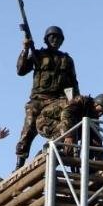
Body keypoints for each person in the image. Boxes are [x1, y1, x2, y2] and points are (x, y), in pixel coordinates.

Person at [15, 25, 79, 170]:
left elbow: (72, 84)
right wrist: (25, 49)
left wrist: (74, 101)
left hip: (58, 99)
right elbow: (20, 70)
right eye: (52, 37)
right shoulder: (38, 55)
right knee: (29, 126)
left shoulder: (67, 60)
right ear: (46, 39)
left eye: (58, 38)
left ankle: (70, 152)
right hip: (38, 99)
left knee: (69, 118)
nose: (55, 40)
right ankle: (20, 163)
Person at [36, 93, 103, 164]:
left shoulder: (93, 115)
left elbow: (96, 138)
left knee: (86, 133)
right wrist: (69, 136)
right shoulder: (81, 101)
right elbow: (66, 114)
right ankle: (48, 147)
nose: (100, 114)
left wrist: (99, 162)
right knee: (72, 130)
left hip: (65, 124)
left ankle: (87, 165)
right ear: (95, 104)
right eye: (100, 110)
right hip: (45, 121)